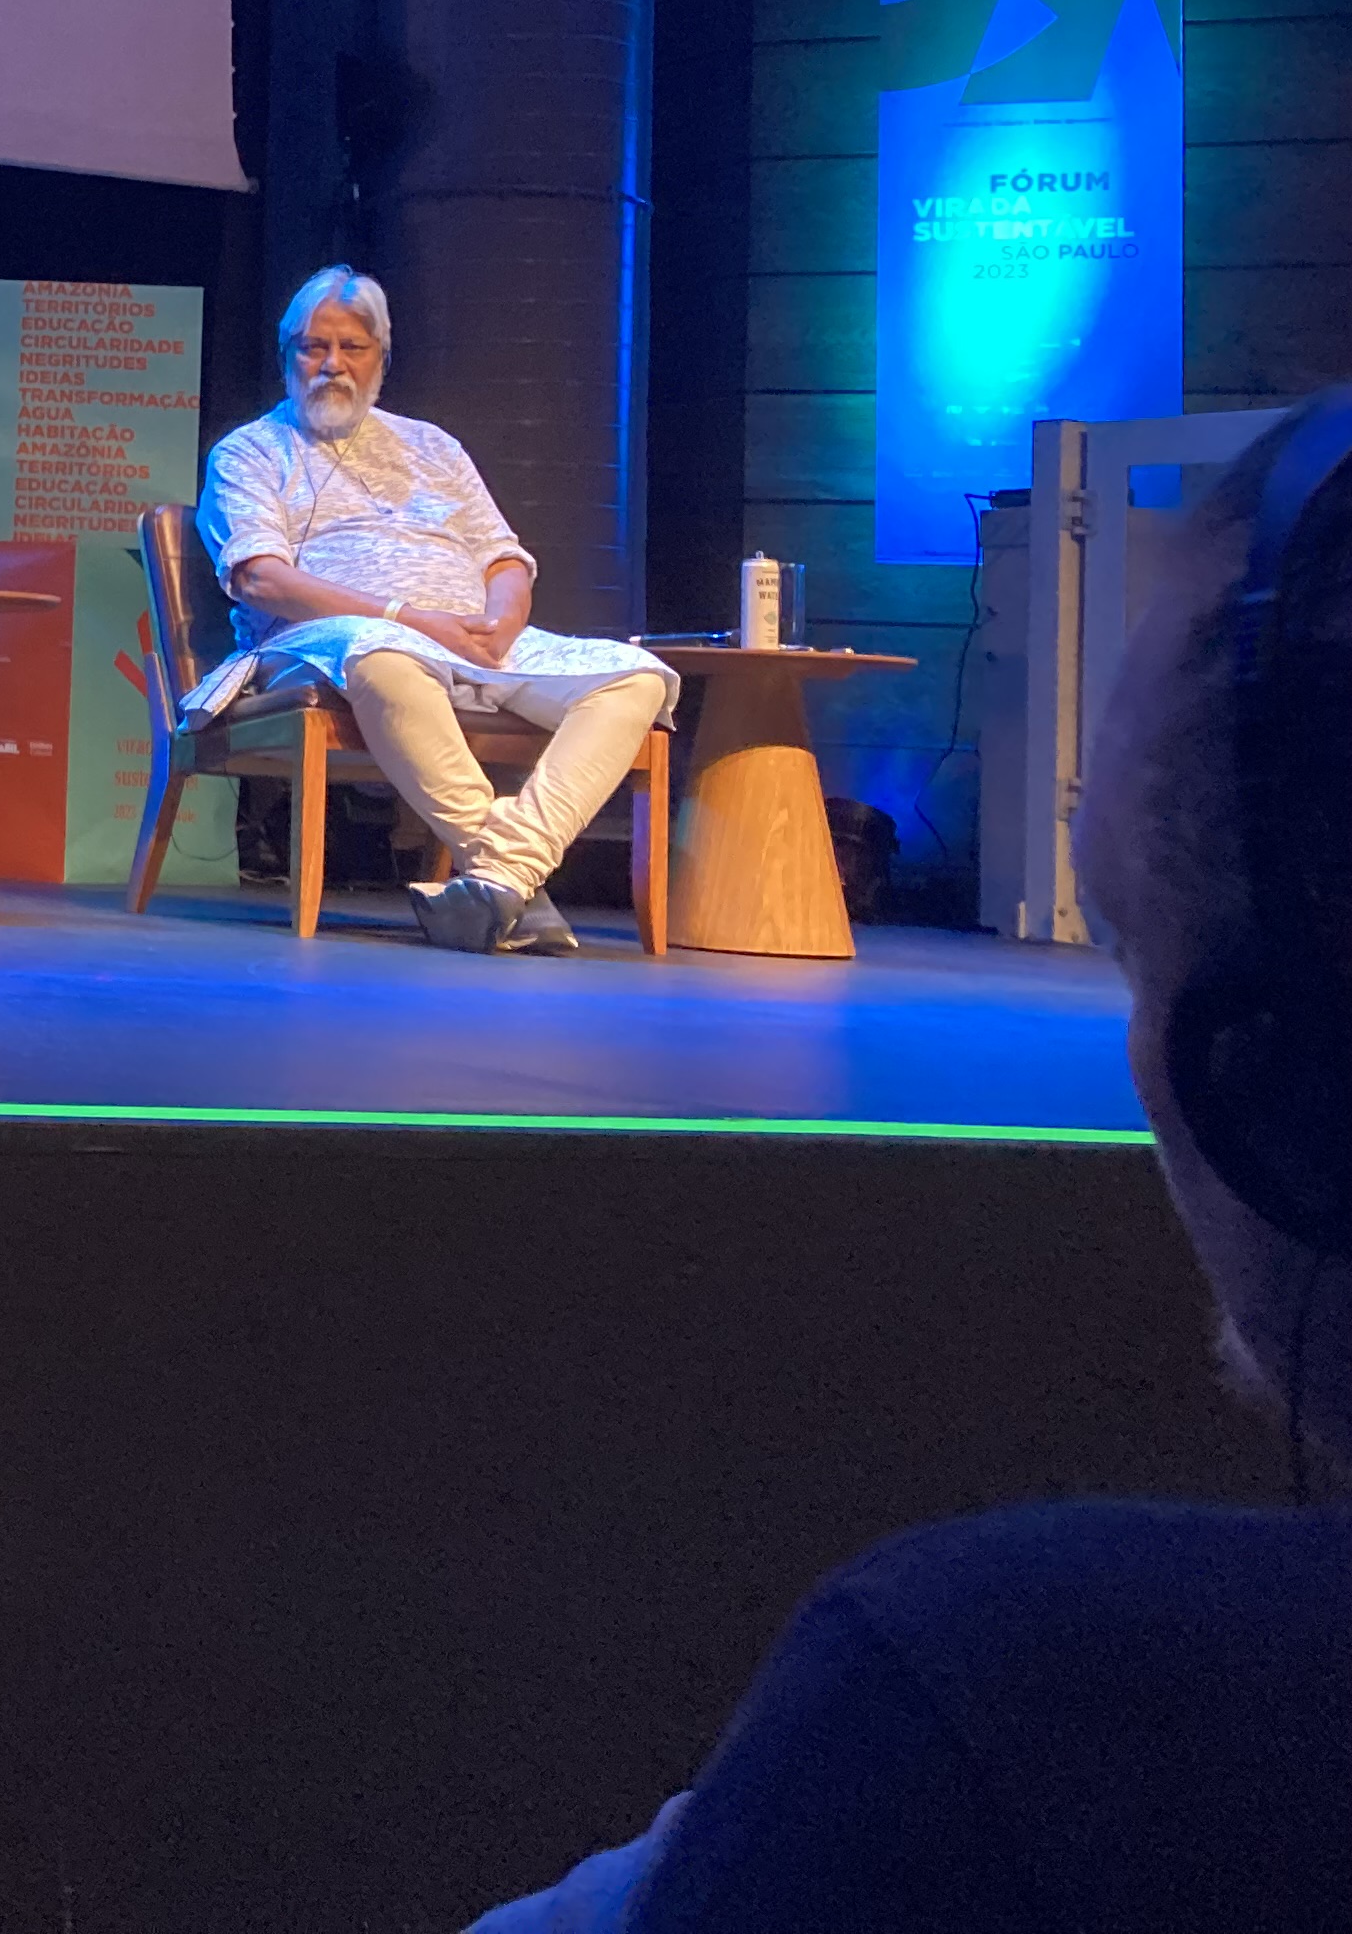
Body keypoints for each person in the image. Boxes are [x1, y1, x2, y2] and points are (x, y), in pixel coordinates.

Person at [463, 393, 1352, 1929]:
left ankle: (493, 863)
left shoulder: (1024, 1720)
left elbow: (502, 570)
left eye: (1133, 966)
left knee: (621, 677)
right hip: (362, 645)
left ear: (1280, 1093)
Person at [192, 267, 676, 955]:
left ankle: (504, 875)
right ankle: (517, 883)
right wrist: (408, 616)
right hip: (327, 641)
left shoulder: (433, 447)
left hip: (469, 638)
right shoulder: (250, 452)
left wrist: (503, 618)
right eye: (313, 346)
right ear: (285, 357)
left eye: (352, 347)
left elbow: (504, 558)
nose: (332, 364)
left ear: (381, 359)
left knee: (638, 676)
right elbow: (262, 580)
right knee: (381, 653)